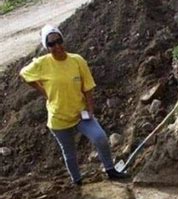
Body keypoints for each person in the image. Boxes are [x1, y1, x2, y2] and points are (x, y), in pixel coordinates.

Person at [20, 24, 128, 186]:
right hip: (59, 118)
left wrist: (90, 109)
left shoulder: (77, 61)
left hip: (80, 114)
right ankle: (77, 182)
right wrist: (42, 91)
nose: (57, 46)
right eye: (51, 44)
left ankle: (110, 170)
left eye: (58, 41)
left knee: (100, 138)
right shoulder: (42, 64)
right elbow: (24, 74)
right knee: (69, 153)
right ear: (46, 47)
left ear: (63, 39)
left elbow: (88, 87)